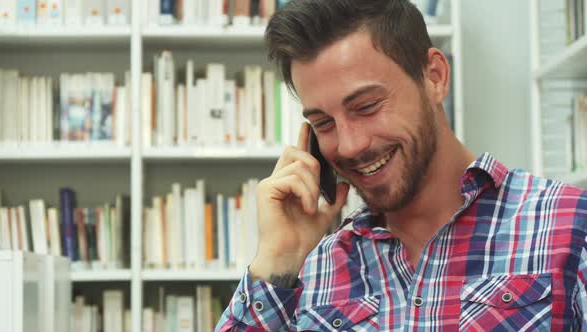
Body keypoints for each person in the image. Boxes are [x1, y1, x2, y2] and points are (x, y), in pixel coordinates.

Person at [216, 0, 587, 330]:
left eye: (366, 107)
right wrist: (279, 257)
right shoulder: (313, 270)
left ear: (434, 78)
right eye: (323, 124)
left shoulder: (570, 226)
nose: (350, 145)